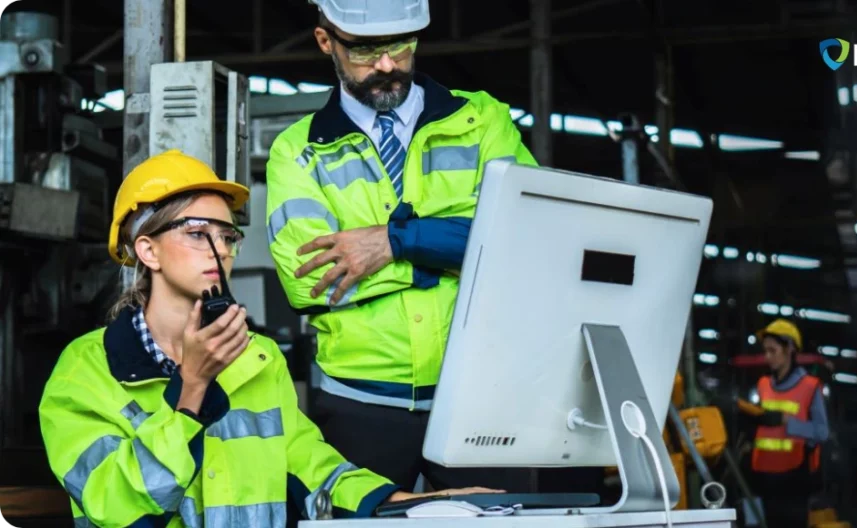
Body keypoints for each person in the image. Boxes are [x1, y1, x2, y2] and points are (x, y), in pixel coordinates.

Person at [38, 150, 489, 528]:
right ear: (147, 250)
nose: (220, 251)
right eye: (197, 234)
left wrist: (415, 504)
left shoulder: (257, 357)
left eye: (227, 236)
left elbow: (311, 467)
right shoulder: (85, 372)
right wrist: (191, 390)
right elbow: (115, 507)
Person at [265, 0, 536, 493]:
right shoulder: (297, 151)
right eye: (367, 49)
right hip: (361, 403)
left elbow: (531, 240)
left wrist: (396, 242)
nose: (388, 65)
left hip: (483, 397)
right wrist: (455, 256)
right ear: (327, 42)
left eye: (400, 45)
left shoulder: (483, 120)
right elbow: (309, 282)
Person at [747, 318, 830, 527]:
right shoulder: (763, 385)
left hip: (794, 482)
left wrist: (786, 421)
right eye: (765, 351)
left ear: (790, 348)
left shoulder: (810, 387)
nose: (768, 357)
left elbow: (822, 432)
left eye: (773, 351)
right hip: (764, 480)